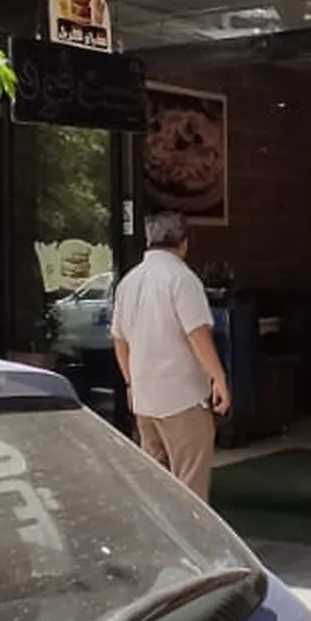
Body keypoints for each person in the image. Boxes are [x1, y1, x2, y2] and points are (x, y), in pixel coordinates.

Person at [110, 212, 231, 501]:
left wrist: (130, 383)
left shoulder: (129, 282)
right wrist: (219, 379)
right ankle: (191, 532)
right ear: (183, 242)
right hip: (182, 397)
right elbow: (197, 335)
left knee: (156, 488)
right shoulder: (182, 279)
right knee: (190, 486)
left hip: (145, 398)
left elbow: (119, 339)